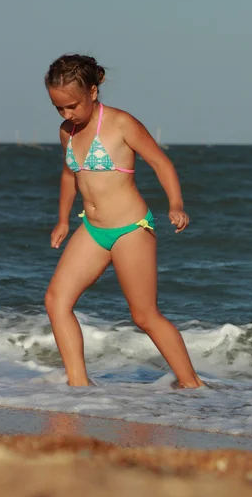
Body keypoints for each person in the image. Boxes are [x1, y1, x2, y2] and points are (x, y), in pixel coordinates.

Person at [44, 53, 204, 389]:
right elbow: (67, 174)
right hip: (93, 228)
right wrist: (62, 220)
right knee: (56, 301)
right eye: (59, 108)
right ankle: (79, 388)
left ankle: (192, 387)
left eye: (72, 105)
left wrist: (175, 204)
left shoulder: (121, 123)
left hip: (131, 229)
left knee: (144, 315)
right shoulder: (66, 132)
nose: (66, 114)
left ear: (92, 92)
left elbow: (161, 164)